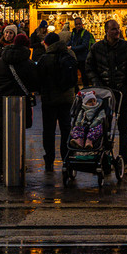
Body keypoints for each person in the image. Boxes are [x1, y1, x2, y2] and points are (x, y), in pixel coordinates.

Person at [87, 20, 127, 175]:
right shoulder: (97, 48)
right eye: (113, 29)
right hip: (104, 94)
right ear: (106, 31)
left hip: (122, 93)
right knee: (104, 128)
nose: (117, 31)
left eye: (118, 29)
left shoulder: (126, 47)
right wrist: (97, 84)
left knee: (123, 127)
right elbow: (89, 67)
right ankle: (106, 159)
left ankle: (125, 161)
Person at [0, 34, 39, 181]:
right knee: (18, 133)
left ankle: (1, 164)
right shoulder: (27, 63)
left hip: (1, 101)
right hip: (19, 102)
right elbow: (34, 84)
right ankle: (17, 162)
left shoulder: (1, 60)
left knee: (2, 133)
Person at [35, 32, 79, 171]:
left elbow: (39, 79)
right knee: (66, 128)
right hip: (67, 98)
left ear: (47, 44)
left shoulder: (44, 58)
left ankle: (49, 160)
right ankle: (66, 158)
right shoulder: (69, 54)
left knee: (49, 130)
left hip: (49, 100)